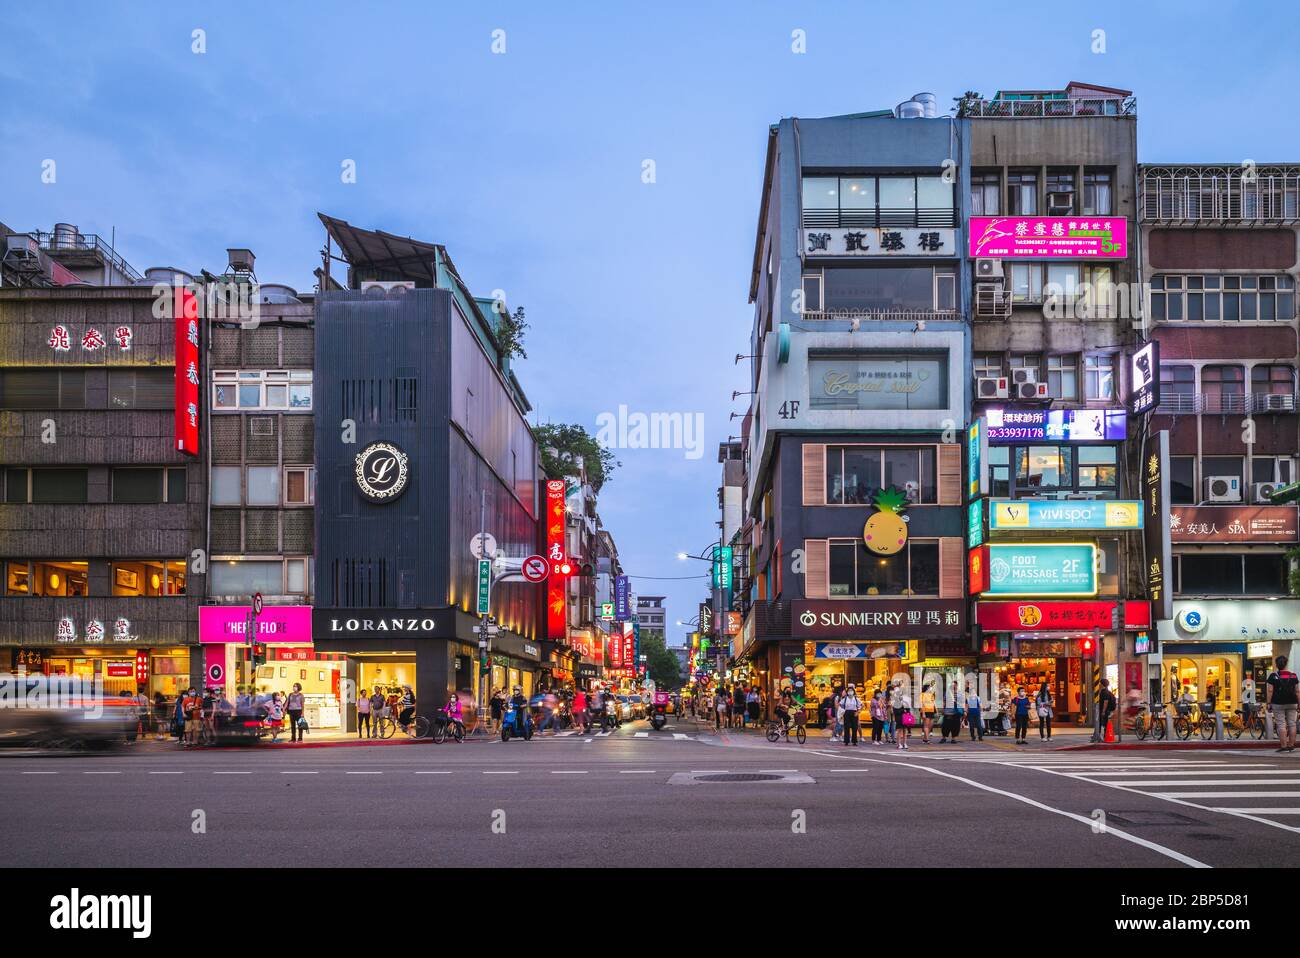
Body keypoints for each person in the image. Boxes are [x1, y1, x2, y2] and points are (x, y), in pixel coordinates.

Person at [1266, 655, 1298, 752]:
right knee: (1292, 724)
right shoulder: (1293, 676)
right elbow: (1297, 691)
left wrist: (1268, 703)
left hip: (1278, 703)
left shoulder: (1273, 676)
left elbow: (1270, 690)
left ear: (1276, 664)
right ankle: (1291, 745)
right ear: (1286, 664)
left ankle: (1284, 746)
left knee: (1281, 724)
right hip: (1292, 702)